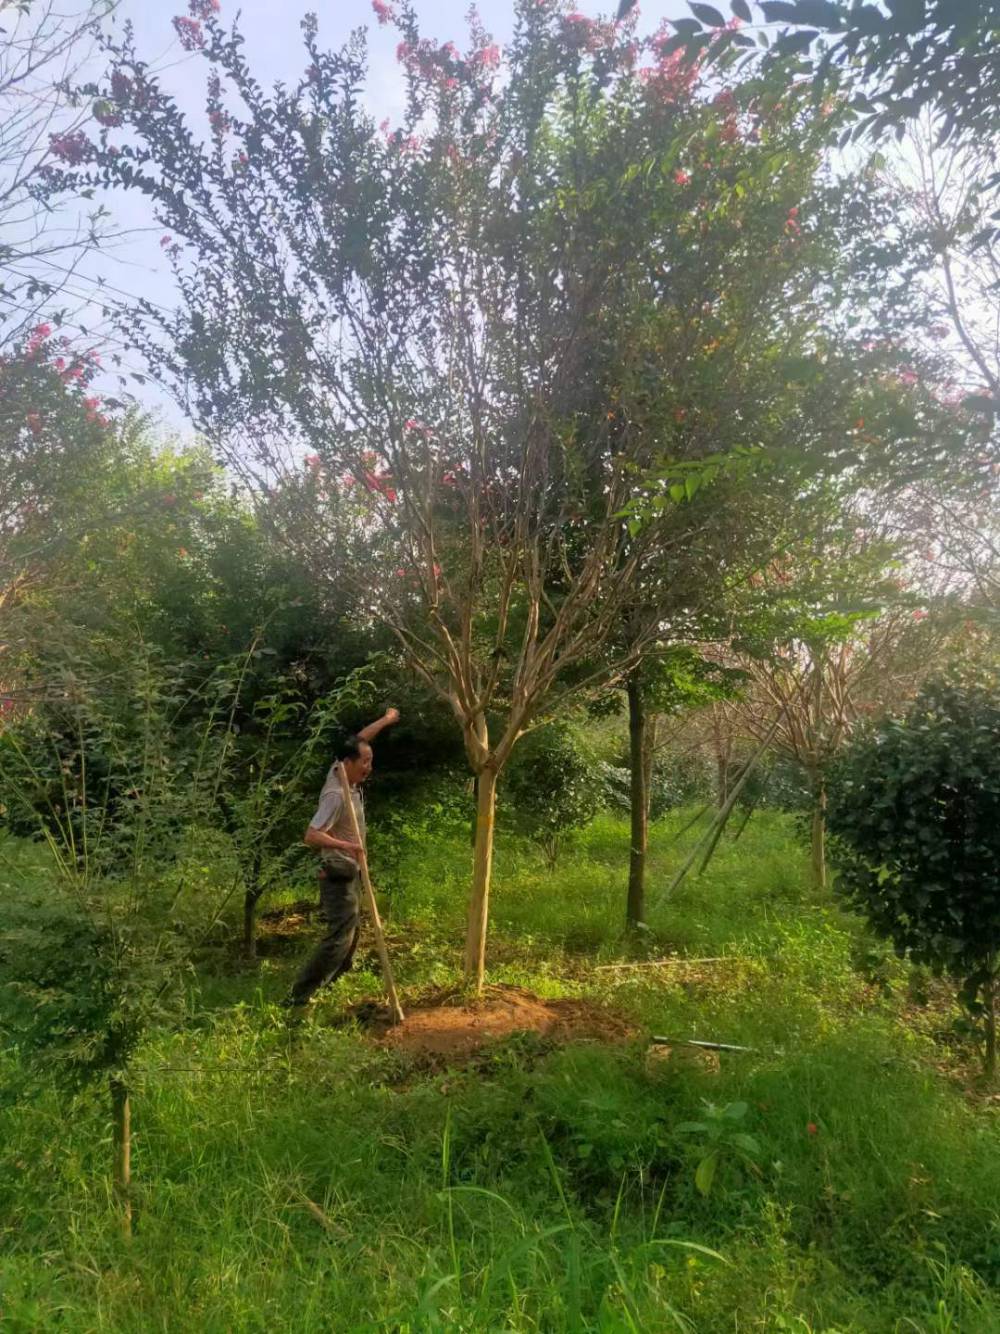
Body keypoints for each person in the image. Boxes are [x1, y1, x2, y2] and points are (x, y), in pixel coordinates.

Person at [282, 707, 400, 1008]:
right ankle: (299, 998)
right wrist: (348, 846)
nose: (369, 767)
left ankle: (328, 989)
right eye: (365, 762)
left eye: (371, 761)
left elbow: (360, 738)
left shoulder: (343, 766)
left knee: (351, 937)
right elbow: (311, 835)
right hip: (338, 872)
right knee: (340, 939)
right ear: (348, 763)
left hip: (351, 869)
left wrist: (385, 721)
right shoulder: (335, 794)